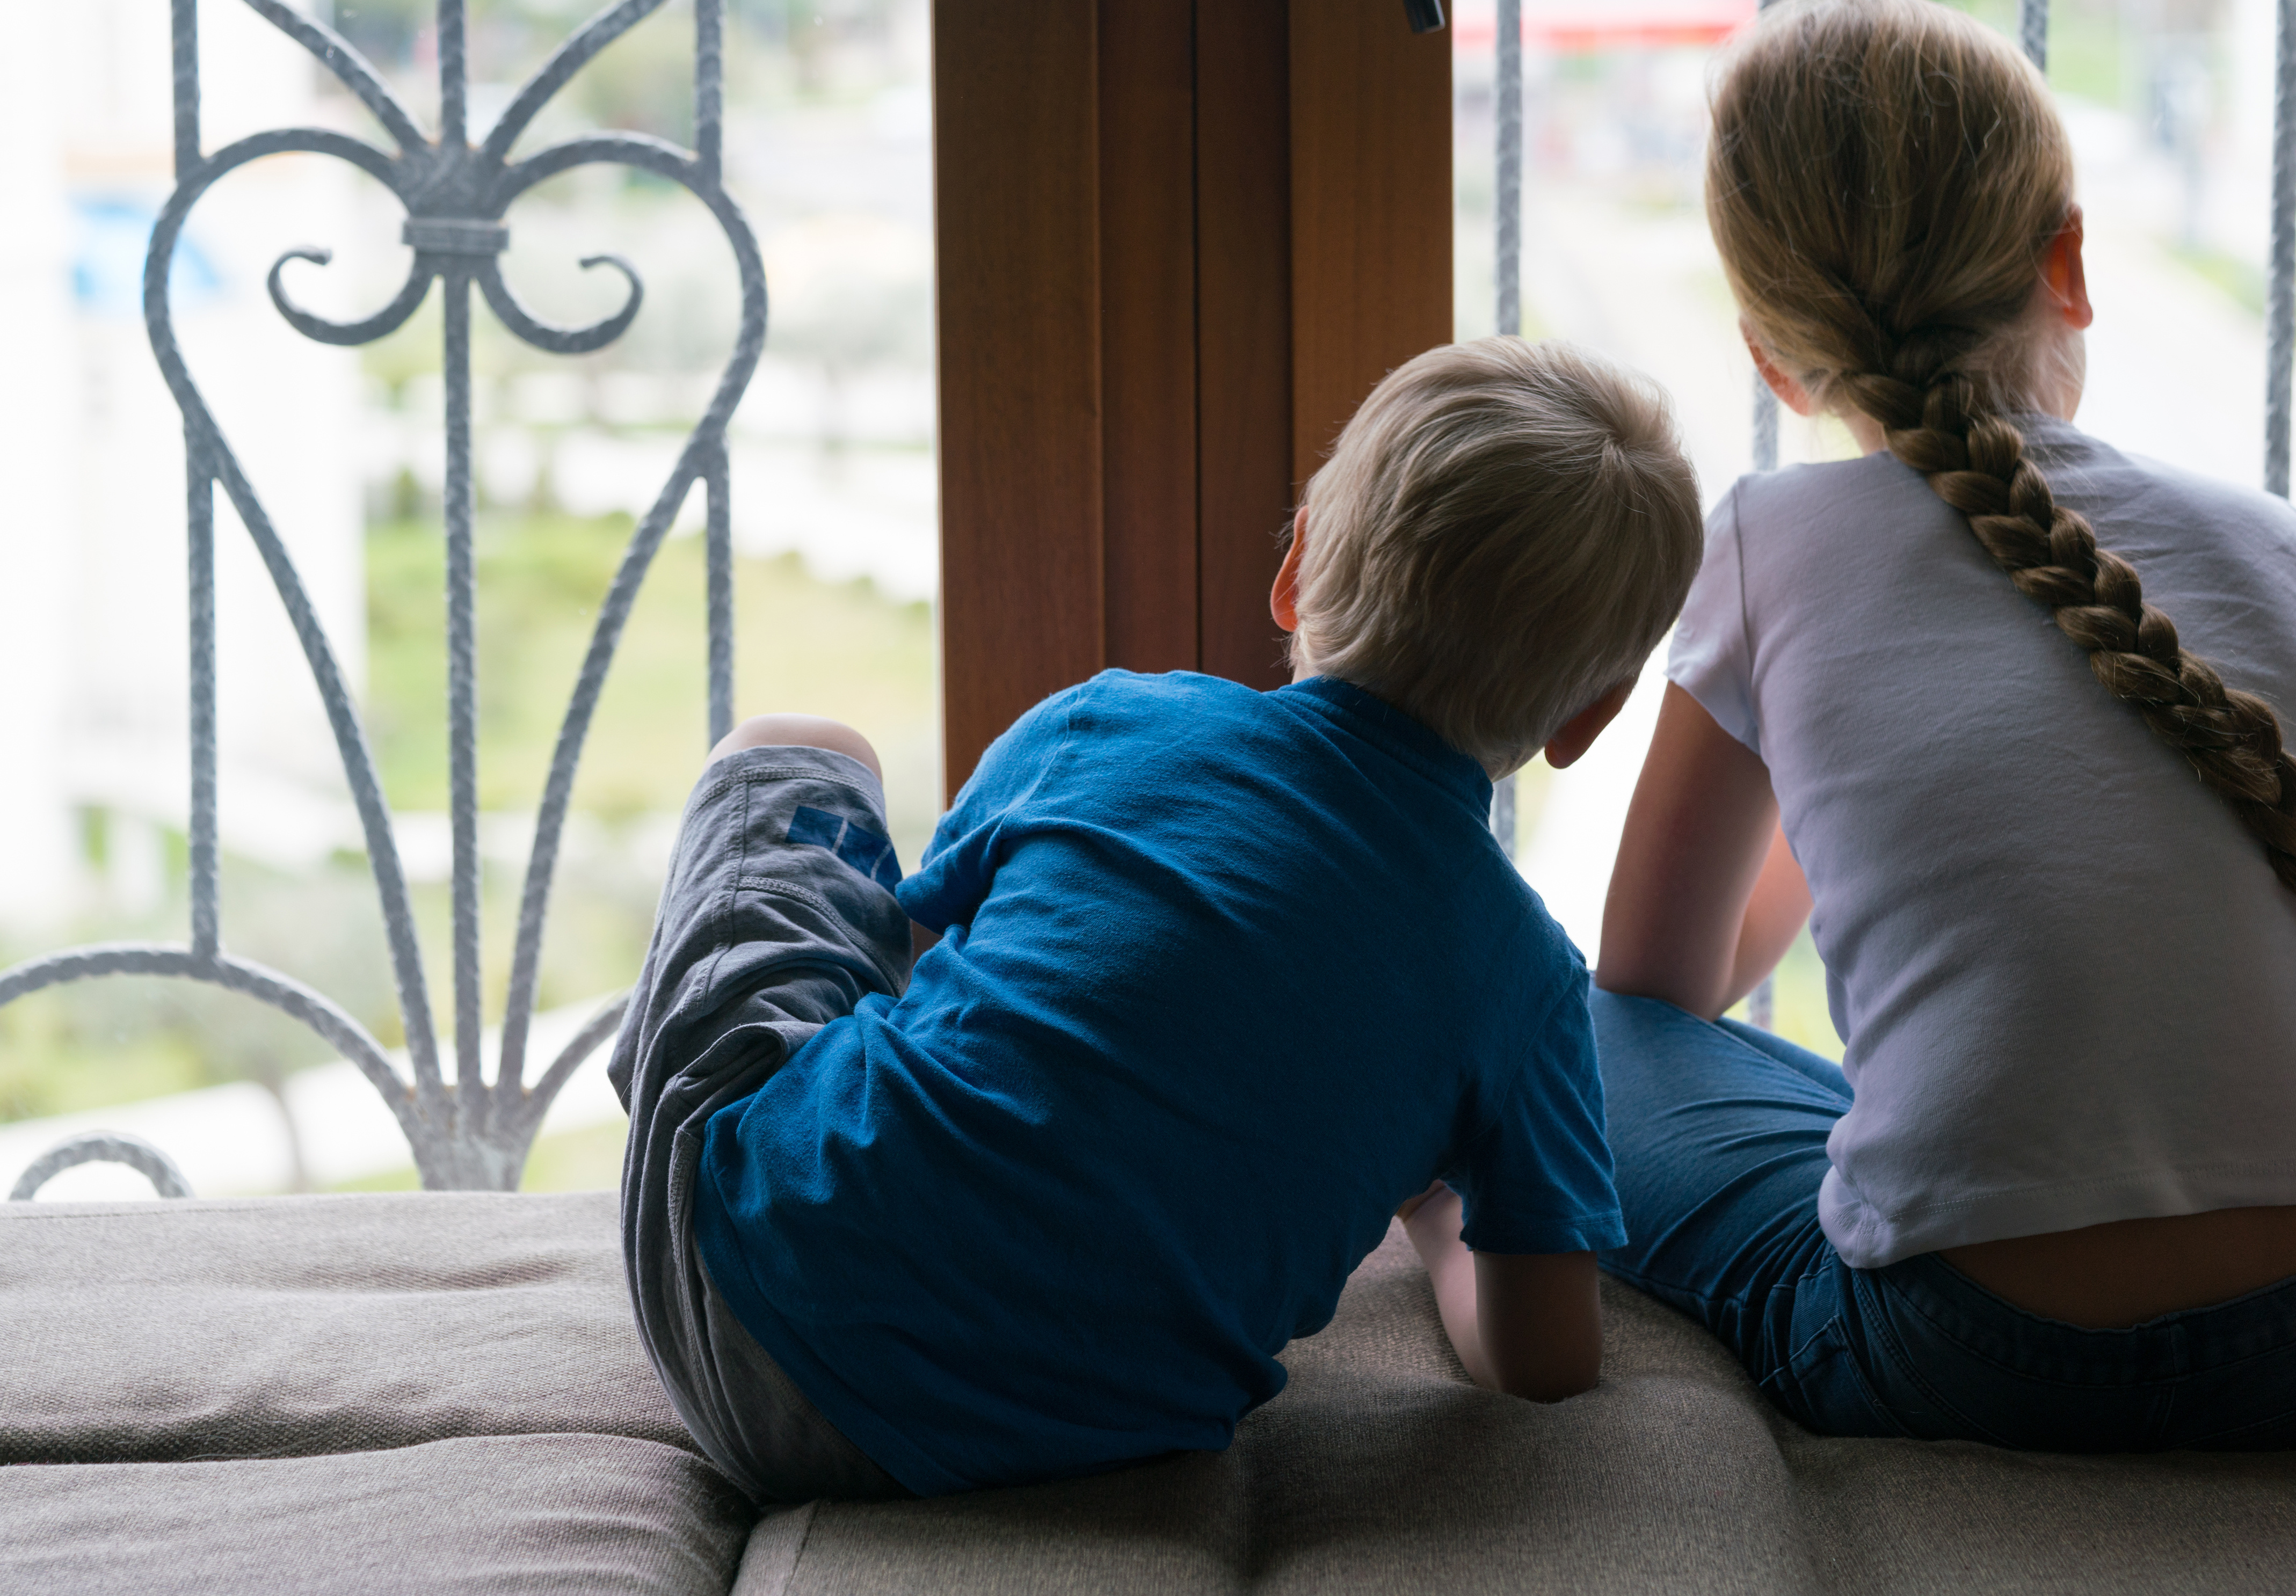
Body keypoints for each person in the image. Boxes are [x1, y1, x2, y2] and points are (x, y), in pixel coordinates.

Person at [1592, 0, 2296, 1453]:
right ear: (2070, 263)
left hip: (1971, 1355)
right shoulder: (2272, 540)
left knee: (1584, 1037)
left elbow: (1654, 985)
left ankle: (1971, 1151)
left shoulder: (1761, 544)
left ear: (1768, 352)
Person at [611, 337, 1704, 1502]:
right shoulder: (1524, 980)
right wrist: (1441, 1220)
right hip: (1059, 1442)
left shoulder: (1108, 725)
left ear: (1293, 575)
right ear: (1590, 717)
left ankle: (694, 1068)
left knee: (801, 749)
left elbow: (929, 950)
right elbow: (1546, 1363)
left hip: (737, 1276)